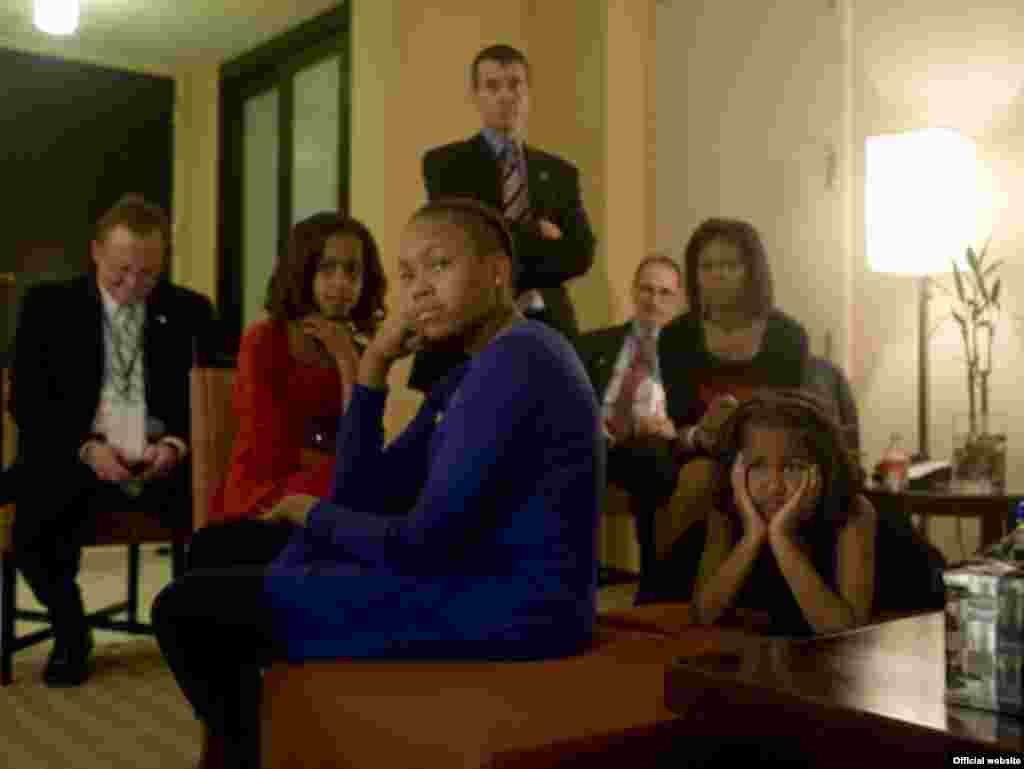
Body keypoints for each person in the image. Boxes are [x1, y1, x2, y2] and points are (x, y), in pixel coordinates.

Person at [152, 197, 603, 768]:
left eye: (439, 265)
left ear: (497, 273)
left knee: (187, 611)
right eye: (408, 273)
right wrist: (371, 371)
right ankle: (258, 743)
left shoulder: (519, 360)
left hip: (513, 605)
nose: (418, 290)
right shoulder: (467, 371)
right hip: (464, 571)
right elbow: (362, 493)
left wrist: (306, 513)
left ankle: (250, 753)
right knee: (219, 548)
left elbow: (421, 543)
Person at [9, 193, 219, 687]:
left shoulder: (190, 310)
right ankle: (70, 627)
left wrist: (175, 445)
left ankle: (198, 632)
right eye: (122, 271)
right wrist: (87, 447)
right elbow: (27, 401)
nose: (133, 286)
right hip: (77, 454)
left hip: (164, 458)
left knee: (227, 511)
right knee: (35, 521)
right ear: (96, 252)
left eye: (148, 274)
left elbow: (214, 398)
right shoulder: (49, 306)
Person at [189, 213, 387, 571]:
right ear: (303, 271)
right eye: (327, 269)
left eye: (352, 272)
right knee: (372, 488)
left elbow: (361, 443)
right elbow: (270, 448)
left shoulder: (357, 350)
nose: (341, 283)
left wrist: (346, 358)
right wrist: (340, 462)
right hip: (263, 495)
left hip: (329, 491)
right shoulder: (265, 339)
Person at [408, 43, 596, 394]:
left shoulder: (560, 172)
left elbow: (581, 254)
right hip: (471, 328)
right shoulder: (446, 164)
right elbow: (469, 243)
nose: (506, 96)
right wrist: (542, 238)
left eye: (515, 85)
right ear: (475, 95)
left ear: (529, 93)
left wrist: (506, 239)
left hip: (549, 327)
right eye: (493, 86)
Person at [638, 389, 877, 637]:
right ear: (735, 469)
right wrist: (752, 535)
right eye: (758, 467)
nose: (774, 486)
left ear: (823, 469)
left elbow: (844, 632)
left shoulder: (853, 513)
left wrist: (782, 540)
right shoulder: (728, 510)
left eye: (793, 467)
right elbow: (704, 614)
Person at [649, 218, 809, 566]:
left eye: (730, 265)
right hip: (702, 449)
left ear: (752, 272)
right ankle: (660, 585)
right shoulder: (677, 335)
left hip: (772, 452)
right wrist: (703, 432)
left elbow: (793, 417)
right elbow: (680, 420)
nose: (717, 275)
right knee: (699, 476)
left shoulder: (787, 334)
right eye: (707, 266)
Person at [575, 254, 688, 574]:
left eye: (664, 293)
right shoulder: (594, 343)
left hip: (647, 446)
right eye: (647, 290)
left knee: (653, 458)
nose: (654, 300)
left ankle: (656, 577)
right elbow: (567, 397)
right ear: (633, 292)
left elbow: (697, 414)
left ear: (678, 301)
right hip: (591, 442)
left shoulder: (687, 355)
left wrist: (671, 428)